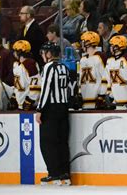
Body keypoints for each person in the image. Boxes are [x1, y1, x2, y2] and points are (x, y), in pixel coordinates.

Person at [36, 42, 71, 186]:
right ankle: (65, 174)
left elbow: (45, 90)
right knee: (62, 141)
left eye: (44, 52)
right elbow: (70, 88)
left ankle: (54, 174)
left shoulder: (48, 67)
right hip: (63, 108)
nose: (43, 55)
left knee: (48, 142)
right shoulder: (64, 67)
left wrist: (39, 110)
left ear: (49, 54)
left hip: (51, 109)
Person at [103, 35, 127, 110]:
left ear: (118, 46)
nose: (110, 47)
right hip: (116, 102)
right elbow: (108, 79)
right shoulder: (110, 60)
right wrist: (108, 93)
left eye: (113, 45)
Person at [79, 31, 108, 110]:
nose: (81, 44)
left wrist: (102, 95)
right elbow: (81, 79)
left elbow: (105, 77)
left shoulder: (100, 57)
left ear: (88, 43)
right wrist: (79, 93)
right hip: (85, 99)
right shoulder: (83, 59)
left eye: (83, 41)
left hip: (96, 99)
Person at [11, 40, 41, 110]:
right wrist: (14, 96)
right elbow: (19, 84)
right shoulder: (16, 64)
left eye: (15, 51)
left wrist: (30, 100)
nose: (14, 53)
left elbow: (37, 84)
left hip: (30, 106)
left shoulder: (30, 64)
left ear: (19, 52)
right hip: (21, 105)